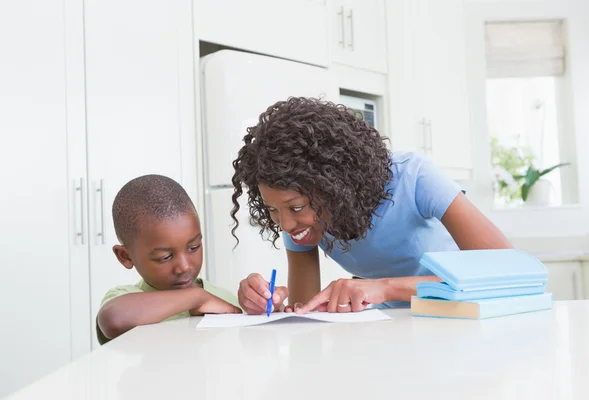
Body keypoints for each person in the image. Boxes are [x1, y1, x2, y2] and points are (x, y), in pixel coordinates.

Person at [231, 97, 512, 314]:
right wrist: (271, 303)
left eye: (294, 208)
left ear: (334, 184)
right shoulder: (301, 219)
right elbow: (306, 309)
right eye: (272, 209)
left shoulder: (415, 178)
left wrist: (385, 288)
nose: (285, 224)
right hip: (391, 329)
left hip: (463, 318)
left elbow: (506, 271)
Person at [97, 174, 241, 345]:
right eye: (164, 257)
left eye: (193, 247)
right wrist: (197, 298)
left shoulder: (222, 297)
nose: (184, 267)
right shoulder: (125, 297)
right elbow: (113, 319)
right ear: (125, 256)